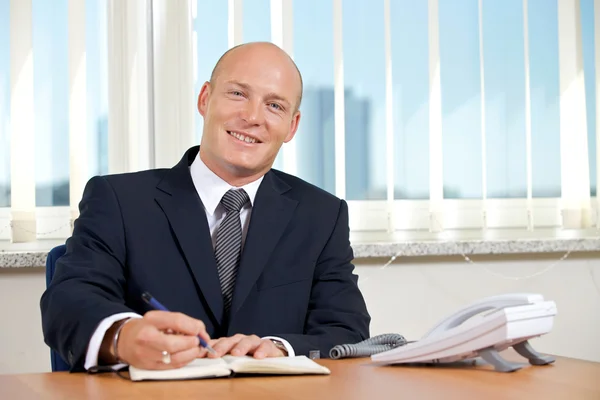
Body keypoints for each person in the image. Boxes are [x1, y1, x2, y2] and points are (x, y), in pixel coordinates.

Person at [40, 41, 371, 372]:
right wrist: (123, 336)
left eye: (274, 105)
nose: (253, 117)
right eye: (238, 94)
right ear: (204, 99)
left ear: (292, 126)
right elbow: (67, 302)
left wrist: (281, 348)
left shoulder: (322, 215)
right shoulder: (118, 199)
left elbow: (347, 332)